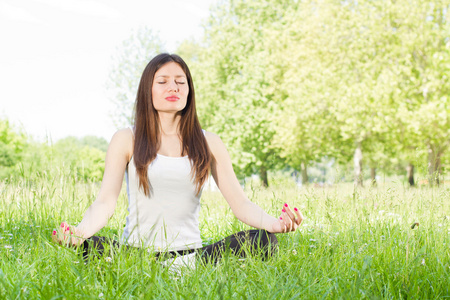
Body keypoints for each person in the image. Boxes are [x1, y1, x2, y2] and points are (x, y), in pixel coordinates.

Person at [52, 53, 304, 263]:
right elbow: (105, 203)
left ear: (189, 91)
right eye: (162, 81)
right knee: (91, 246)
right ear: (147, 90)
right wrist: (80, 232)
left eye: (180, 82)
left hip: (193, 256)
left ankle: (180, 268)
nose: (173, 87)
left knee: (264, 241)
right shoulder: (126, 138)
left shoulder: (209, 142)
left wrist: (275, 224)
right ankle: (162, 270)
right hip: (137, 256)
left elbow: (241, 205)